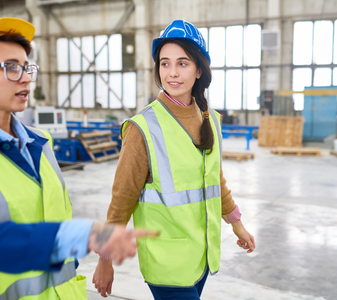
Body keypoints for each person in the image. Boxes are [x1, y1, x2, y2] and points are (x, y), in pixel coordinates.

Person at [0, 13, 156, 300]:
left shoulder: (41, 143)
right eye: (10, 67)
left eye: (27, 67)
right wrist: (80, 236)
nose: (26, 79)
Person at [92, 19, 256, 300]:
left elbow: (214, 180)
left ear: (199, 69)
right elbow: (122, 199)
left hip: (200, 255)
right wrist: (105, 259)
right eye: (164, 64)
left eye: (182, 63)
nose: (172, 73)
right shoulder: (142, 127)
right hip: (166, 260)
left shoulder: (210, 119)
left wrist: (236, 223)